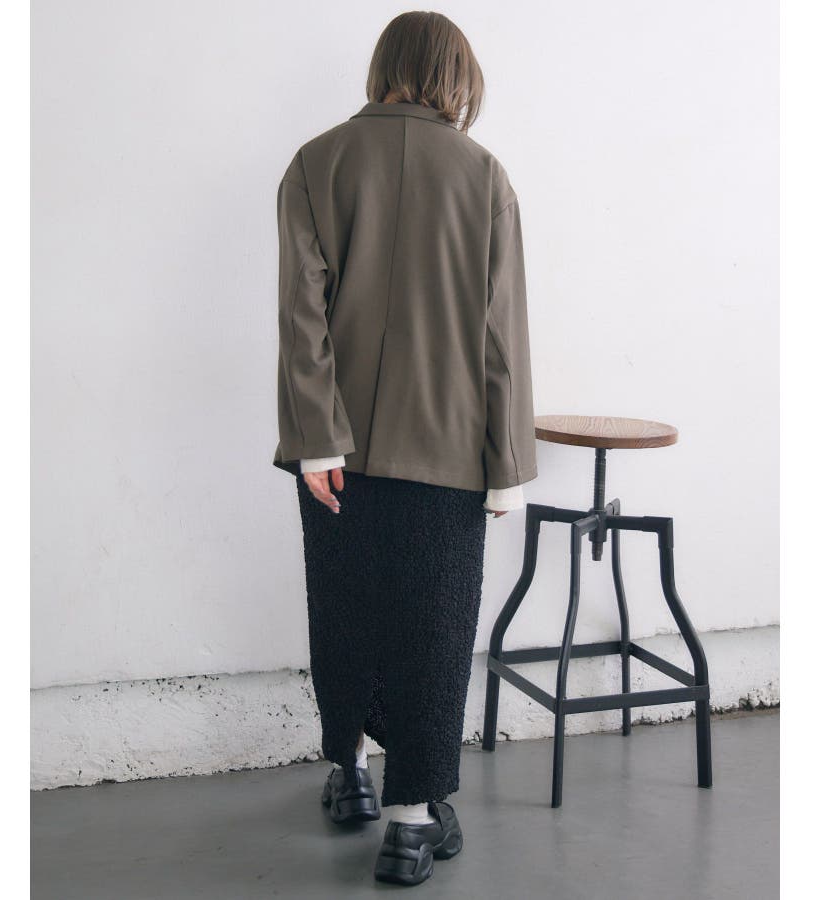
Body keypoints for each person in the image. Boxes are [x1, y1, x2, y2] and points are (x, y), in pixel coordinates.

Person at [272, 10, 537, 887]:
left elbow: (302, 317)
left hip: (336, 451)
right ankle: (413, 824)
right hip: (449, 452)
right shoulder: (484, 176)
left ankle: (349, 773)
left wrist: (315, 440)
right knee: (432, 630)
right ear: (456, 77)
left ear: (383, 65)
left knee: (343, 612)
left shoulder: (315, 162)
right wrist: (506, 466)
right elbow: (501, 337)